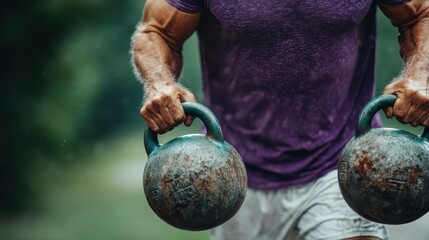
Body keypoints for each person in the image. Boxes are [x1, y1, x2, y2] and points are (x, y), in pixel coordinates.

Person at [132, 0, 429, 239]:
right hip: (230, 177)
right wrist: (160, 84)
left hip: (342, 164)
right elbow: (157, 31)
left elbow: (420, 14)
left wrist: (419, 75)